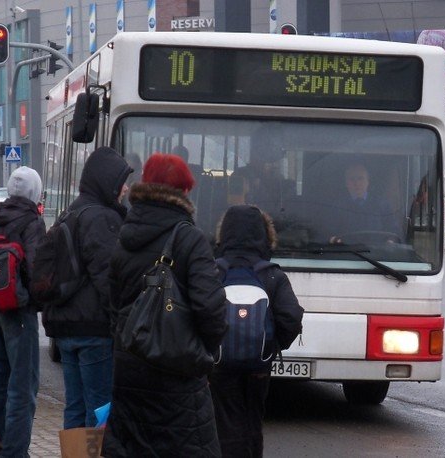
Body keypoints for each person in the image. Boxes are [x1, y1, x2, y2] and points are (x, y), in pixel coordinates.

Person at [102, 153, 227, 457]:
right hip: (177, 369)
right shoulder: (190, 239)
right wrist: (207, 353)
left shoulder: (125, 236)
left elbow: (112, 305)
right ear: (184, 192)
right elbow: (210, 309)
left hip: (130, 367)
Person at [41, 146, 133, 429]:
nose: (126, 188)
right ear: (107, 181)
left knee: (76, 407)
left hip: (65, 327)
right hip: (92, 330)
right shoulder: (102, 217)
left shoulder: (70, 212)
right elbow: (109, 279)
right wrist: (122, 323)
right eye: (121, 182)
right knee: (100, 410)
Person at [210, 204, 304, 457]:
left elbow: (199, 312)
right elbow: (291, 317)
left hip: (219, 364)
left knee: (224, 421)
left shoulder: (213, 271)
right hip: (258, 367)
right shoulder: (271, 275)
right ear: (265, 235)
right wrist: (271, 346)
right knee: (253, 420)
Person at [0, 166, 46, 458]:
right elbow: (36, 269)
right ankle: (15, 453)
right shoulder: (31, 221)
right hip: (19, 312)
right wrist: (41, 299)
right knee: (22, 388)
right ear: (35, 192)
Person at [329, 162, 401, 243]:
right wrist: (334, 240)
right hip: (346, 252)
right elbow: (330, 233)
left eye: (361, 178)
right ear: (346, 183)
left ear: (368, 182)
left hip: (377, 253)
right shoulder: (337, 207)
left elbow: (394, 231)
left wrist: (390, 241)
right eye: (352, 179)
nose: (357, 183)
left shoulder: (383, 205)